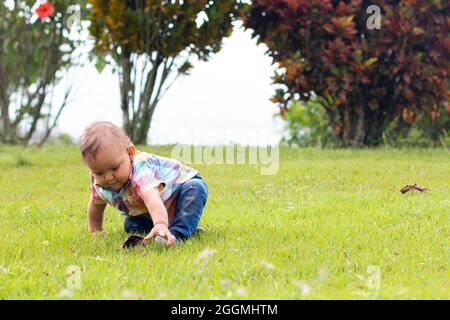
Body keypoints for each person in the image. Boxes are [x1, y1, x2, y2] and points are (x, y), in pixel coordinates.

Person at [79, 121, 208, 247]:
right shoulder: (98, 181)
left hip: (179, 192)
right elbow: (96, 203)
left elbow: (152, 198)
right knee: (131, 226)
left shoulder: (140, 171)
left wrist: (160, 224)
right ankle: (184, 225)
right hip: (152, 209)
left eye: (114, 168)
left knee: (195, 188)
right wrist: (96, 230)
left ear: (130, 153)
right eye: (99, 173)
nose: (108, 177)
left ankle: (176, 233)